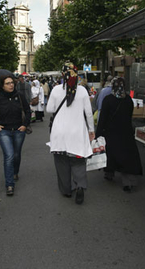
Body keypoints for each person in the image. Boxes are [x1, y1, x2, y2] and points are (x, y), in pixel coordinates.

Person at [46, 62, 95, 205]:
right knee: (78, 161)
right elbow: (89, 113)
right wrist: (91, 130)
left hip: (59, 133)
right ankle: (80, 185)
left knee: (62, 162)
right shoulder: (83, 91)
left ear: (62, 75)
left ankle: (66, 190)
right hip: (77, 132)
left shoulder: (56, 90)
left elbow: (49, 109)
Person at [0, 75, 31, 196]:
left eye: (12, 82)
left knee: (16, 154)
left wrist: (25, 125)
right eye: (7, 83)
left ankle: (15, 172)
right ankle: (9, 184)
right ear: (2, 86)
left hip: (19, 130)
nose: (11, 85)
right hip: (4, 132)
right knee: (9, 156)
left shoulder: (19, 95)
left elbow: (28, 110)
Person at [96, 77, 142, 192]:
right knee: (127, 157)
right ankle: (128, 182)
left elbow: (103, 119)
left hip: (111, 133)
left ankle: (109, 173)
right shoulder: (128, 100)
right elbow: (129, 116)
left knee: (111, 154)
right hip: (126, 133)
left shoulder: (108, 100)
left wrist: (98, 133)